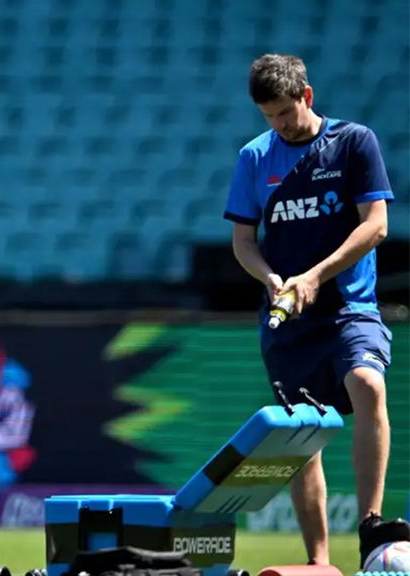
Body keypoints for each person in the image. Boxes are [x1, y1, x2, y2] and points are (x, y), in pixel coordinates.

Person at [224, 53, 405, 568]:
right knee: (303, 434)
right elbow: (243, 240)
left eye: (284, 112)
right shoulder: (254, 158)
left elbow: (376, 226)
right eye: (268, 117)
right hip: (289, 321)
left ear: (307, 96)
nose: (278, 125)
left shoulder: (354, 143)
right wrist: (271, 278)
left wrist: (316, 275)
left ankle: (370, 526)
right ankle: (318, 560)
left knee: (368, 385)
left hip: (349, 306)